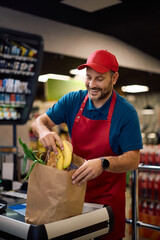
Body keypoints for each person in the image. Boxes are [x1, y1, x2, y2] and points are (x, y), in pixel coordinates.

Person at [31, 49, 143, 240]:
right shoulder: (72, 101)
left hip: (107, 202)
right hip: (71, 195)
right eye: (88, 77)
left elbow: (133, 160)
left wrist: (103, 163)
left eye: (99, 79)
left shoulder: (126, 113)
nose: (91, 84)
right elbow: (38, 122)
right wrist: (44, 132)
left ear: (114, 78)